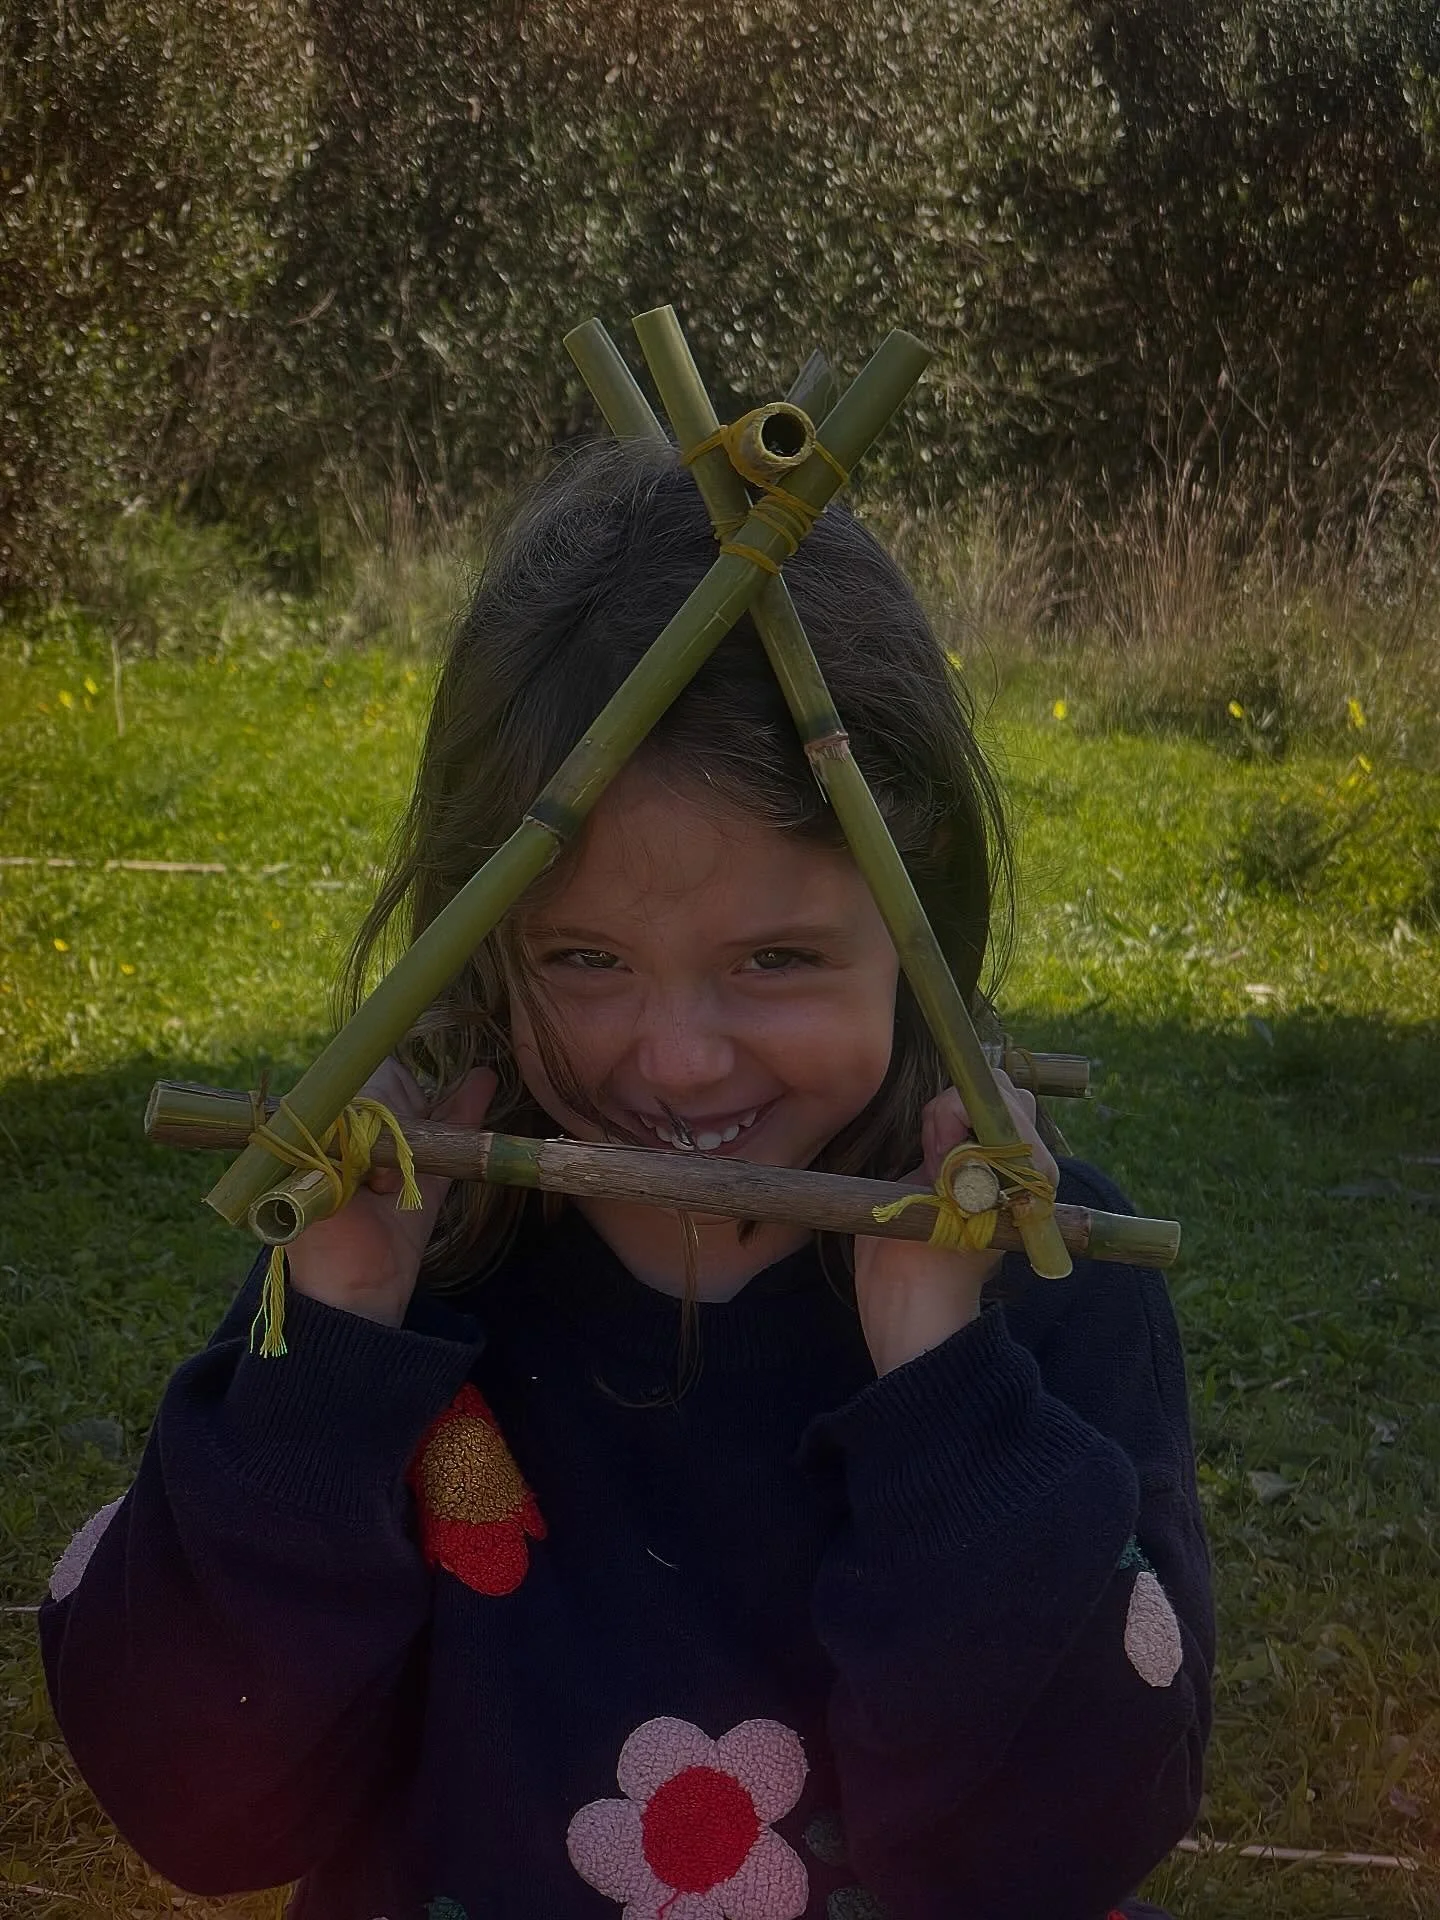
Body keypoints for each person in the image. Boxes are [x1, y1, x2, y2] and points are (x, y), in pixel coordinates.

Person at [40, 440, 1214, 1920]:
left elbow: (1053, 1853)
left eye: (775, 960)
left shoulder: (1048, 1277)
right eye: (584, 959)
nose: (675, 1059)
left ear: (925, 930)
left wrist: (945, 1384)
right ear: (482, 938)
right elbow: (198, 1804)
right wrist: (329, 1343)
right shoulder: (404, 1260)